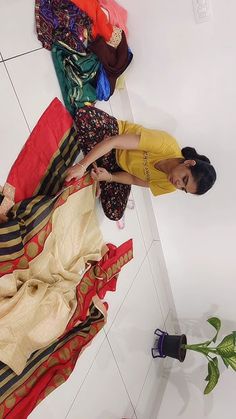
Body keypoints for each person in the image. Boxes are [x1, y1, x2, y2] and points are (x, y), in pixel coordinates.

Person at [66, 106, 216, 221]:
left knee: (115, 212)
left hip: (117, 166)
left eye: (183, 189)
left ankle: (97, 164)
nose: (178, 185)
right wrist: (82, 165)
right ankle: (93, 163)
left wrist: (109, 177)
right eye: (184, 179)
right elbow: (114, 142)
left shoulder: (169, 186)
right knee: (84, 115)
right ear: (189, 163)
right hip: (116, 136)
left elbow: (133, 179)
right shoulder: (165, 144)